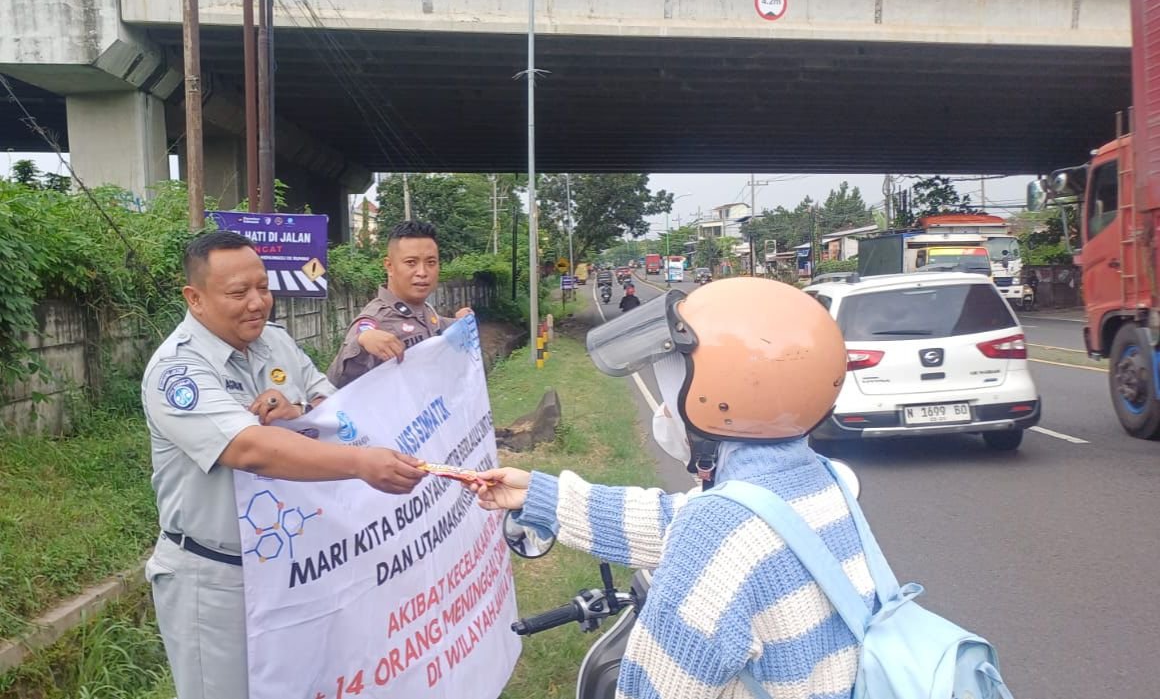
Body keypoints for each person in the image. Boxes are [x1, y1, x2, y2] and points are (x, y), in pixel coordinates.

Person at [471, 278, 876, 699]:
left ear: (720, 399)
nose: (665, 410)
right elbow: (677, 520)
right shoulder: (824, 483)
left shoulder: (719, 532)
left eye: (671, 392)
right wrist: (540, 496)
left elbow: (655, 687)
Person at [142, 231, 428, 699]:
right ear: (195, 298)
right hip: (217, 578)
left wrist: (297, 411)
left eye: (263, 287)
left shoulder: (275, 343)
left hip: (292, 565)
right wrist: (360, 464)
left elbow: (333, 405)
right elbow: (250, 449)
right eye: (238, 293)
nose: (257, 303)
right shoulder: (178, 373)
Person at [327, 220, 472, 388]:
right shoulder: (376, 322)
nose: (422, 272)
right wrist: (361, 342)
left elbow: (437, 327)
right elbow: (336, 386)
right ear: (389, 266)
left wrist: (461, 321)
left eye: (431, 262)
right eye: (411, 262)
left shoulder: (425, 310)